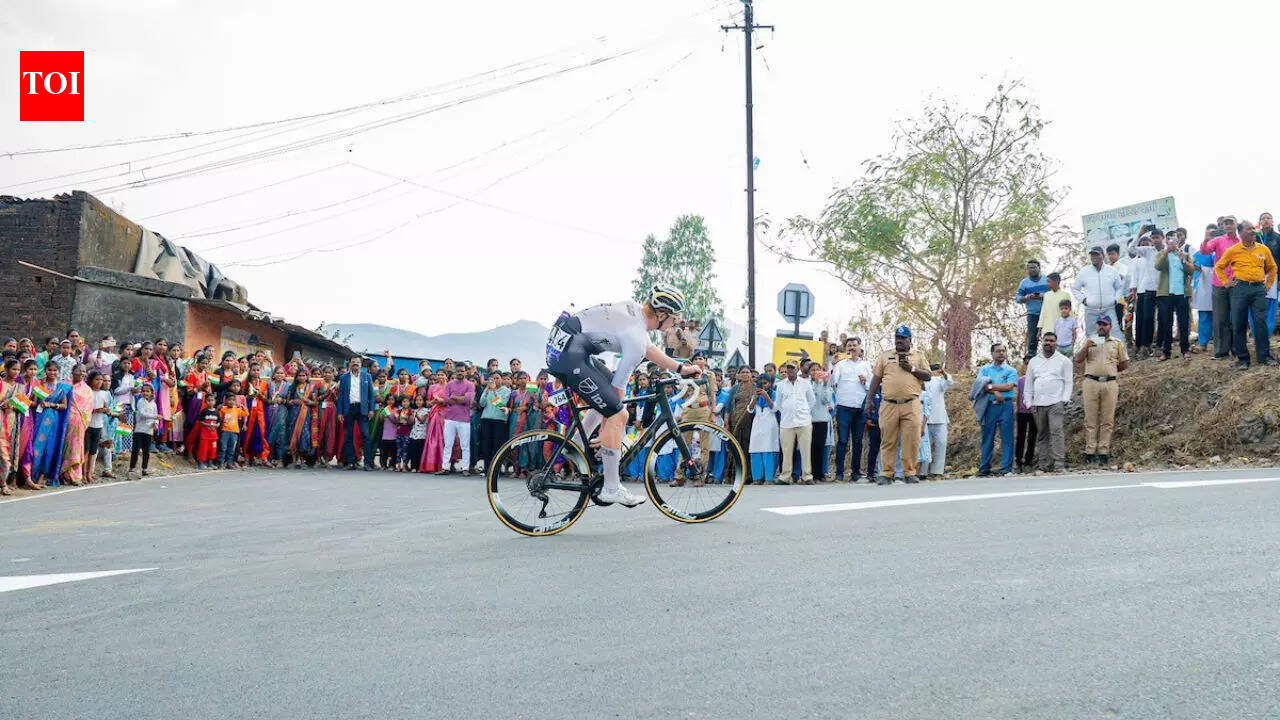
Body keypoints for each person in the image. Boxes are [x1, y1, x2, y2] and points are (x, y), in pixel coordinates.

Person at [543, 285, 702, 506]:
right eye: (673, 317)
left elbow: (650, 350)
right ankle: (611, 487)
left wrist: (680, 369)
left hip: (570, 347)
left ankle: (577, 445)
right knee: (618, 414)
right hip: (569, 355)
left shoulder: (635, 315)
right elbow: (618, 391)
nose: (675, 323)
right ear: (662, 313)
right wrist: (610, 422)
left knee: (615, 410)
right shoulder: (635, 338)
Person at [865, 325, 931, 485]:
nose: (899, 341)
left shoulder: (919, 356)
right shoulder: (885, 356)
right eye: (897, 338)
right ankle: (887, 473)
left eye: (902, 338)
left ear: (910, 340)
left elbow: (928, 376)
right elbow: (876, 379)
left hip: (911, 404)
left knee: (911, 440)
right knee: (888, 439)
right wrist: (869, 399)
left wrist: (912, 368)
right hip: (888, 404)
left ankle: (909, 473)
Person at [1214, 222, 1279, 368]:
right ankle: (1243, 359)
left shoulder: (1263, 249)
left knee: (1260, 323)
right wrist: (1226, 282)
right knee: (1239, 323)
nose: (1252, 231)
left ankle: (1265, 357)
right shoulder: (1233, 250)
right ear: (1240, 233)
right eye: (1249, 229)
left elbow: (1273, 267)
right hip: (1240, 289)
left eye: (1253, 229)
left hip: (1258, 290)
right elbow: (1219, 267)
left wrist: (1268, 285)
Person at [1075, 315, 1128, 466]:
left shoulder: (1116, 343)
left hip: (1110, 384)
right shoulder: (1089, 341)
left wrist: (1110, 370)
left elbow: (1124, 364)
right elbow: (1078, 359)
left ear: (1110, 326)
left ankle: (1103, 452)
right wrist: (1086, 347)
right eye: (1099, 324)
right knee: (1090, 419)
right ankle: (1090, 452)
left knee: (1107, 420)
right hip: (1091, 382)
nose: (1101, 327)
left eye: (1104, 324)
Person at [1025, 332, 1073, 472]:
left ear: (1056, 343)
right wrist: (1029, 402)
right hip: (1038, 404)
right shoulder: (1034, 361)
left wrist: (1064, 400)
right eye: (1046, 340)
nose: (1049, 343)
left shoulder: (1064, 361)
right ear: (1042, 342)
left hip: (1056, 402)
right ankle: (1043, 465)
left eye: (1052, 341)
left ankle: (1059, 464)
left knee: (1057, 432)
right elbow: (1029, 383)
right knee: (1042, 434)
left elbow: (1069, 382)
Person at [674, 353, 718, 487]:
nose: (699, 360)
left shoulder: (709, 375)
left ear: (705, 361)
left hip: (704, 409)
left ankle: (700, 477)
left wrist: (713, 412)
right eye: (696, 359)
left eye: (701, 358)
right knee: (684, 444)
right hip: (688, 409)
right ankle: (679, 476)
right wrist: (688, 375)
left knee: (704, 445)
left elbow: (712, 394)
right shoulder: (687, 373)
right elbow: (682, 393)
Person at [830, 339, 871, 482]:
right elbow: (832, 382)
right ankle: (839, 473)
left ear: (860, 348)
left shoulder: (866, 365)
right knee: (842, 440)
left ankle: (855, 473)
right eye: (849, 346)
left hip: (860, 408)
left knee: (858, 441)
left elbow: (871, 386)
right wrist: (833, 365)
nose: (852, 348)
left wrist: (866, 381)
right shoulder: (840, 365)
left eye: (854, 345)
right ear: (846, 348)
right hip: (843, 408)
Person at [1202, 216, 1241, 360]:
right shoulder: (1218, 240)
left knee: (1237, 317)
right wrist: (1206, 238)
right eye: (1226, 223)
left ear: (1236, 225)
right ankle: (1221, 351)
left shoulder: (1242, 241)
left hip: (1238, 283)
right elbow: (1205, 251)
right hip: (1219, 283)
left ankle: (1238, 349)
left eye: (1231, 223)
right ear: (1222, 227)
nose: (1228, 225)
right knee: (1220, 318)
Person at [976, 343, 1017, 477]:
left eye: (1003, 351)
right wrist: (995, 393)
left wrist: (992, 388)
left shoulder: (1011, 370)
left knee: (1007, 437)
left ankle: (1006, 467)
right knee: (987, 437)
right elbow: (980, 385)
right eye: (998, 351)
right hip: (989, 406)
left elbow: (1009, 386)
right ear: (992, 354)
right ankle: (984, 468)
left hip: (1006, 406)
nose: (1001, 353)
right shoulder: (985, 369)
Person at [1153, 234, 1193, 361]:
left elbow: (1191, 271)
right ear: (1166, 242)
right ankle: (1166, 352)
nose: (1172, 243)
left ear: (1179, 242)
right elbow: (1158, 266)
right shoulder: (1161, 254)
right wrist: (1166, 252)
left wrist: (1183, 260)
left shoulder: (1185, 255)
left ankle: (1185, 350)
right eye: (1170, 241)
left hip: (1182, 293)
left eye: (1175, 241)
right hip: (1166, 293)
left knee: (1183, 322)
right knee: (1166, 323)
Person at [775, 362, 816, 485]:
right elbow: (779, 404)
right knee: (787, 450)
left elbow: (812, 401)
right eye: (788, 369)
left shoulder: (805, 383)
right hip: (787, 422)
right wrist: (788, 411)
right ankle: (785, 477)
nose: (790, 371)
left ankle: (807, 476)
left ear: (797, 369)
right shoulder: (780, 385)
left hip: (803, 421)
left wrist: (804, 411)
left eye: (792, 368)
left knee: (805, 450)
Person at [1072, 247, 1126, 339]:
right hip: (1091, 310)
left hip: (1109, 309)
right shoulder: (1084, 272)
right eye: (1092, 255)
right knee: (1093, 339)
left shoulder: (1112, 271)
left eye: (1097, 254)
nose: (1094, 257)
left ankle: (1114, 353)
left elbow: (1119, 287)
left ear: (1103, 255)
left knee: (1114, 337)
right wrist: (1084, 300)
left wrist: (1115, 299)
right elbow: (1075, 289)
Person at [336, 356, 376, 470]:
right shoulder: (344, 378)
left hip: (362, 409)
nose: (355, 364)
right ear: (349, 364)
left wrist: (371, 409)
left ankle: (367, 463)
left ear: (361, 364)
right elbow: (341, 396)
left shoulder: (367, 376)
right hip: (348, 409)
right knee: (348, 436)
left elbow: (371, 396)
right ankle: (350, 462)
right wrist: (339, 412)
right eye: (353, 362)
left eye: (357, 362)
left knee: (365, 435)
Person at [1128, 231, 1162, 357]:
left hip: (1162, 289)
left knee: (1160, 318)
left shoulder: (1165, 251)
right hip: (1145, 290)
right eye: (1152, 238)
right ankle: (1142, 346)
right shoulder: (1143, 255)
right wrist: (1139, 234)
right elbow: (1131, 249)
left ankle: (1159, 345)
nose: (1153, 240)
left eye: (1156, 237)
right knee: (1144, 319)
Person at [441, 369, 476, 475]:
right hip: (449, 418)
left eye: (462, 371)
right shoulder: (449, 384)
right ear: (455, 372)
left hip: (464, 419)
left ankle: (465, 468)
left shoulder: (470, 385)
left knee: (465, 445)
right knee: (448, 444)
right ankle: (445, 468)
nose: (460, 372)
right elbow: (446, 399)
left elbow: (467, 400)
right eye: (458, 371)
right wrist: (460, 399)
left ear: (466, 372)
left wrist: (454, 397)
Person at [921, 363, 952, 480]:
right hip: (925, 419)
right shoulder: (923, 381)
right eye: (934, 370)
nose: (935, 372)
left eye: (937, 370)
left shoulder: (941, 380)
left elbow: (949, 382)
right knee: (924, 446)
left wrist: (944, 373)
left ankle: (937, 471)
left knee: (941, 444)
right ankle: (922, 472)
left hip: (940, 418)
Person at [747, 373, 779, 484]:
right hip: (757, 424)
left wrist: (766, 396)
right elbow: (750, 410)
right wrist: (755, 398)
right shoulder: (754, 395)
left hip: (770, 424)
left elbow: (774, 408)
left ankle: (769, 478)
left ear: (770, 383)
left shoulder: (775, 394)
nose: (763, 385)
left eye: (765, 383)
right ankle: (757, 478)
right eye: (761, 383)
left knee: (768, 450)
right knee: (755, 450)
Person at [1015, 260, 1048, 355]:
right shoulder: (1024, 283)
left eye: (1034, 267)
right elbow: (1017, 298)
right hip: (1033, 314)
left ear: (1039, 268)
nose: (1031, 270)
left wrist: (1043, 296)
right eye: (1029, 268)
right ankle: (1031, 357)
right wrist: (1026, 297)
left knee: (1049, 336)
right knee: (1033, 337)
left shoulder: (1046, 280)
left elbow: (1055, 293)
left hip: (1047, 313)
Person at [808, 365, 834, 481]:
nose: (815, 372)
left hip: (822, 419)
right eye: (812, 370)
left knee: (820, 447)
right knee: (811, 447)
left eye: (817, 370)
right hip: (809, 420)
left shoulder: (826, 384)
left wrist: (823, 384)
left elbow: (826, 400)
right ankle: (811, 473)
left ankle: (819, 474)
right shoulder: (806, 384)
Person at [130, 382, 159, 478]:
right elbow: (142, 414)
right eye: (143, 391)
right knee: (136, 449)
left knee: (146, 451)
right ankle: (132, 468)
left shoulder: (154, 404)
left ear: (151, 392)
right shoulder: (140, 401)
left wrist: (156, 423)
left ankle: (144, 469)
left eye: (147, 391)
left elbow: (156, 416)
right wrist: (156, 417)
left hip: (148, 430)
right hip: (139, 429)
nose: (145, 393)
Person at [1014, 355, 1037, 474]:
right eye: (1026, 363)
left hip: (1035, 411)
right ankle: (1018, 460)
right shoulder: (1021, 380)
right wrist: (1018, 409)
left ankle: (1028, 461)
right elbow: (1019, 395)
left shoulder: (1038, 379)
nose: (1029, 365)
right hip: (1022, 412)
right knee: (1020, 437)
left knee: (1032, 437)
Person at [1259, 212, 1280, 336]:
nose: (1266, 220)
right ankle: (1257, 334)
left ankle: (1266, 334)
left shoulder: (1277, 238)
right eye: (1263, 218)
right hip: (1255, 276)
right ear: (1259, 222)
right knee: (1256, 305)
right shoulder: (1255, 237)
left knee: (1271, 306)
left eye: (1268, 218)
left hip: (1272, 276)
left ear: (1272, 221)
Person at [217, 393, 248, 470]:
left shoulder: (237, 409)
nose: (231, 401)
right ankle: (221, 463)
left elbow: (246, 413)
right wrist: (218, 409)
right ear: (226, 401)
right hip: (225, 431)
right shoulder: (223, 409)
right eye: (229, 400)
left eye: (233, 400)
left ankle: (229, 463)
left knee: (231, 448)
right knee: (223, 447)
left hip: (234, 432)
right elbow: (219, 417)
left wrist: (243, 407)